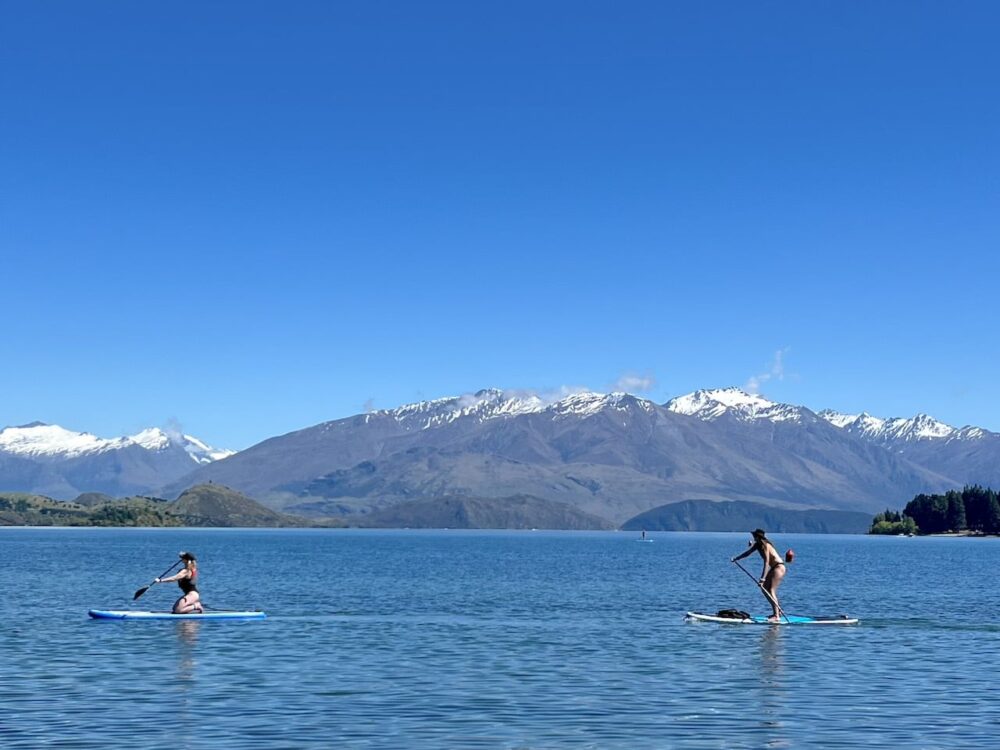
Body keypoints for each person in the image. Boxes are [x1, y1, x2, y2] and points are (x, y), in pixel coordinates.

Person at [732, 529, 787, 622]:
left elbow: (766, 562)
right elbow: (747, 553)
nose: (753, 538)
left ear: (758, 537)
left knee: (771, 590)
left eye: (754, 536)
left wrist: (762, 578)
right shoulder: (757, 545)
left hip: (779, 567)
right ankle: (777, 612)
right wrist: (737, 558)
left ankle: (777, 616)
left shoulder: (765, 545)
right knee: (764, 588)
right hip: (774, 568)